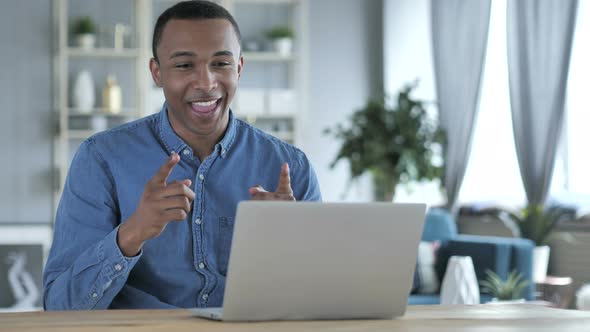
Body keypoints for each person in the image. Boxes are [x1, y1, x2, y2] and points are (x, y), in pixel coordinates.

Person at [43, 0, 321, 310]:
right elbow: (60, 307)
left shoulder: (291, 168)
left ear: (239, 68)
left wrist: (289, 248)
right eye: (184, 65)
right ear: (157, 72)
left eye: (221, 63)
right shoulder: (101, 158)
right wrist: (132, 234)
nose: (205, 82)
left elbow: (321, 301)